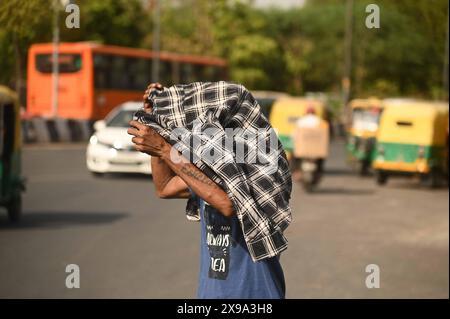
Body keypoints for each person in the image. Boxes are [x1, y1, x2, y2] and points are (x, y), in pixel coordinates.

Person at [128, 83, 286, 299]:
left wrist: (166, 150)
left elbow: (227, 204)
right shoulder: (211, 172)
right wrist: (155, 121)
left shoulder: (258, 169)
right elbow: (164, 188)